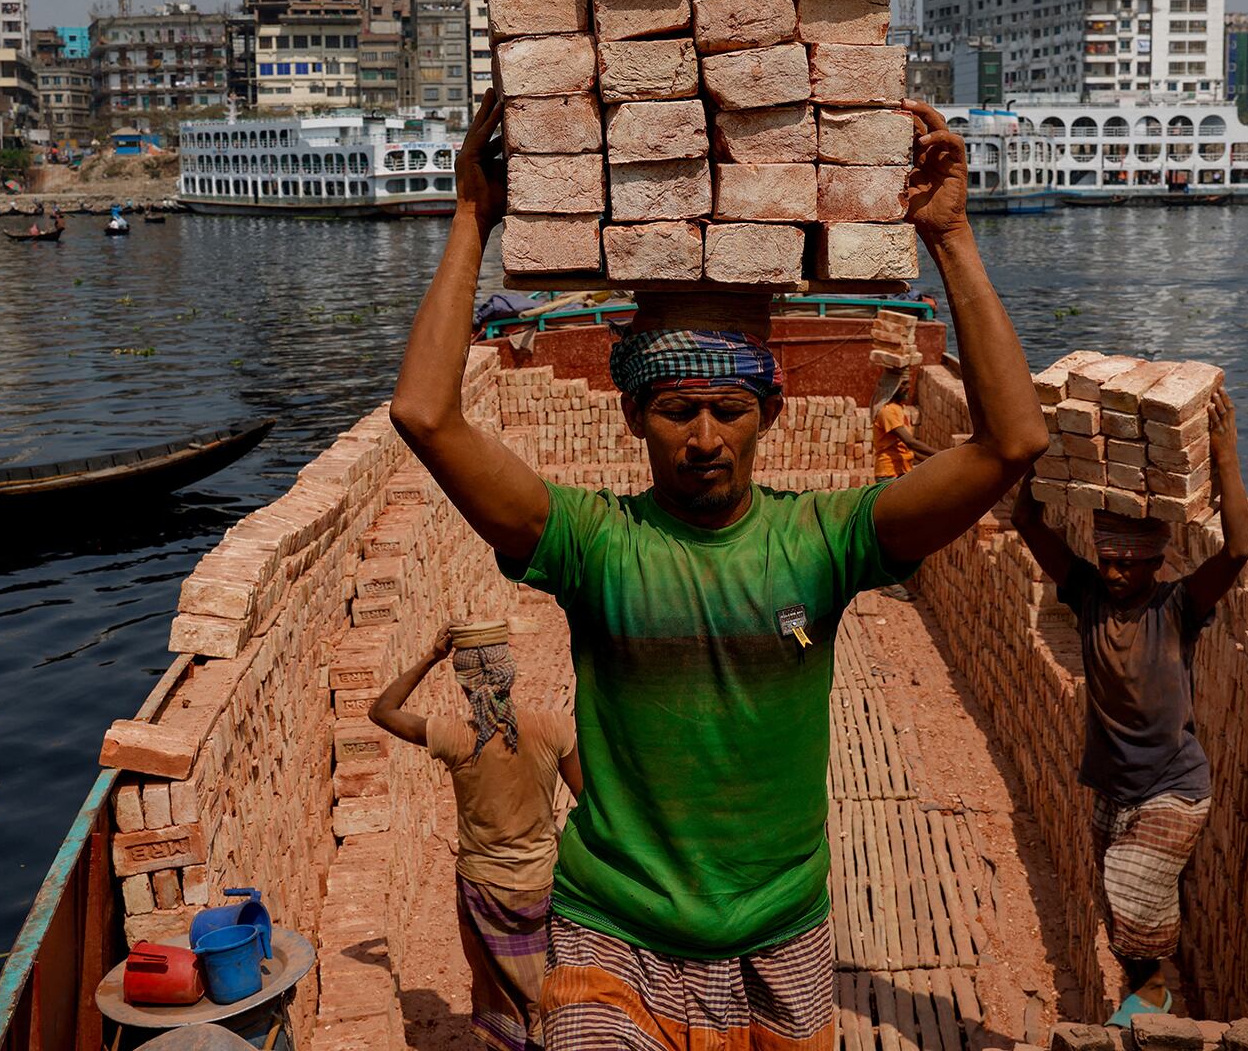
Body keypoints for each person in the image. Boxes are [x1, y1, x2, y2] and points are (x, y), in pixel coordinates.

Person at [389, 90, 1048, 1049]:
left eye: (729, 411)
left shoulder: (827, 544)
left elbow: (1012, 442)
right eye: (675, 411)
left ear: (769, 417)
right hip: (613, 926)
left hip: (782, 936)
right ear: (632, 418)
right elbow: (426, 417)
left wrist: (951, 241)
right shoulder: (589, 545)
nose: (704, 439)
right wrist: (470, 220)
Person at [1009, 388, 1248, 1027]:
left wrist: (1226, 455)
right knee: (1120, 916)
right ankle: (1151, 998)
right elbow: (1028, 522)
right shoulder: (1086, 594)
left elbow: (1237, 553)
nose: (1115, 573)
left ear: (1155, 561)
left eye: (1130, 564)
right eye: (1109, 560)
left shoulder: (1176, 609)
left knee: (1134, 879)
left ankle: (1154, 993)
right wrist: (1047, 447)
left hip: (1174, 787)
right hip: (1113, 788)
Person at [370, 628, 583, 1051]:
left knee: (497, 988)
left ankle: (510, 1039)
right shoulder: (553, 728)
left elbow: (382, 711)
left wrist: (431, 655)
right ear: (512, 676)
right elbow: (587, 800)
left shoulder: (454, 737)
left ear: (463, 685)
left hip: (482, 887)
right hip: (541, 881)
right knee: (545, 978)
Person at [872, 370, 938, 479]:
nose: (908, 387)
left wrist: (935, 461)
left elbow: (908, 449)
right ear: (893, 386)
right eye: (903, 383)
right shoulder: (887, 412)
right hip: (889, 473)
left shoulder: (898, 408)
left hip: (902, 470)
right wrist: (943, 455)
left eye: (908, 383)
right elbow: (910, 442)